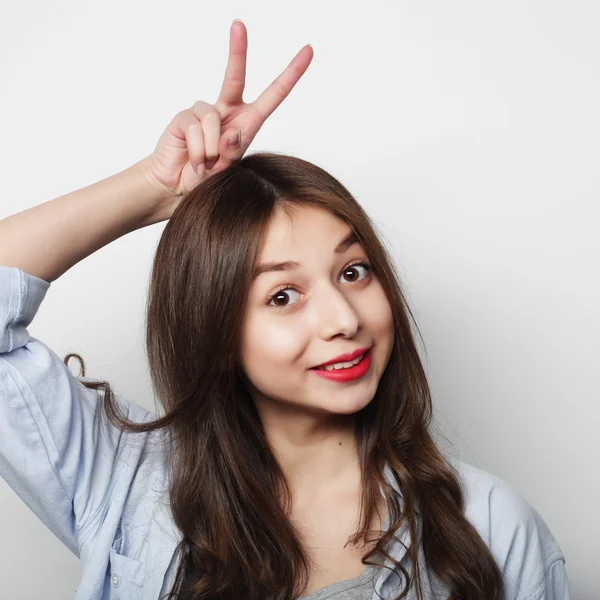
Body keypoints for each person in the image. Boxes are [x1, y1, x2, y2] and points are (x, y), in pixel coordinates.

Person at [0, 19, 570, 600]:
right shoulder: (125, 484)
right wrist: (153, 187)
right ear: (216, 331)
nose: (344, 320)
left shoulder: (492, 526)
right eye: (282, 296)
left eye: (353, 272)